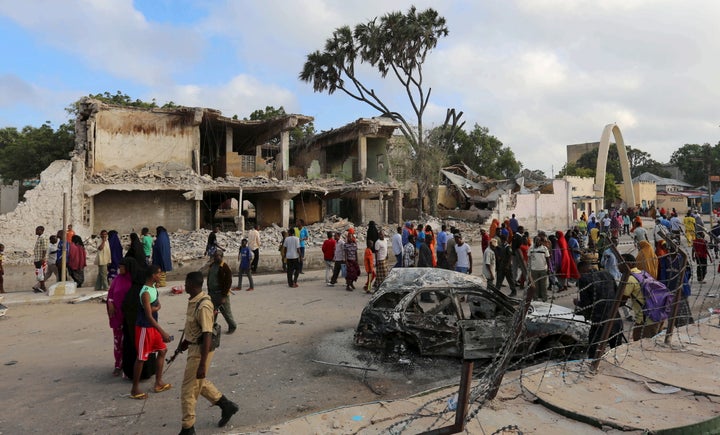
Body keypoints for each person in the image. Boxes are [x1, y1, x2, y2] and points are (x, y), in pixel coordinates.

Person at [178, 271, 239, 434]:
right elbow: (194, 328)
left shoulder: (203, 305)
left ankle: (188, 427)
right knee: (199, 383)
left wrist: (202, 365)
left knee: (188, 390)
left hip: (200, 350)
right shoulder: (194, 301)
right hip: (194, 346)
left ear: (193, 285)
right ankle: (227, 406)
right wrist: (185, 343)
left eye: (186, 283)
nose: (184, 286)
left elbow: (207, 334)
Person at [130, 265, 171, 400]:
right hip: (144, 328)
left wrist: (156, 308)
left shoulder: (153, 288)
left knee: (162, 351)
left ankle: (158, 382)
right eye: (158, 274)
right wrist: (162, 331)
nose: (160, 276)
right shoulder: (146, 292)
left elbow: (155, 307)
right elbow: (148, 315)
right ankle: (135, 389)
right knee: (141, 358)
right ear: (153, 275)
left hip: (152, 327)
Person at [575, 260, 624, 358]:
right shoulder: (607, 274)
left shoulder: (584, 279)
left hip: (599, 319)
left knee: (594, 350)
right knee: (617, 349)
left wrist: (578, 304)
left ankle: (594, 367)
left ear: (581, 270)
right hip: (614, 316)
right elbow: (617, 293)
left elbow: (586, 303)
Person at [620, 253, 664, 341]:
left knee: (642, 346)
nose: (618, 265)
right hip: (658, 314)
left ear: (630, 264)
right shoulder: (643, 273)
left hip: (646, 320)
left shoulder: (630, 279)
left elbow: (620, 301)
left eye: (621, 263)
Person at [107, 258, 133, 376]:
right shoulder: (117, 279)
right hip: (117, 315)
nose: (119, 269)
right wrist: (110, 303)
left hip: (128, 316)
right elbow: (110, 294)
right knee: (118, 342)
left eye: (122, 267)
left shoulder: (132, 279)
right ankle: (118, 364)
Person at [207, 251, 236, 334]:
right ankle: (211, 327)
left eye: (217, 256)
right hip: (212, 293)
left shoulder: (224, 267)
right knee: (212, 312)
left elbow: (228, 282)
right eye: (214, 256)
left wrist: (224, 296)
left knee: (226, 312)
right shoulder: (212, 265)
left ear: (222, 256)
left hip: (221, 294)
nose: (215, 258)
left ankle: (232, 326)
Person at [528, 236, 551, 302]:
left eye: (538, 240)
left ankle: (544, 298)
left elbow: (547, 259)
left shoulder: (544, 248)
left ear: (540, 241)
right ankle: (535, 298)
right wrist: (528, 268)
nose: (537, 242)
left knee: (543, 285)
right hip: (534, 269)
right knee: (535, 285)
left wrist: (549, 268)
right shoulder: (531, 248)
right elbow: (529, 259)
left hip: (543, 269)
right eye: (535, 241)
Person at [32, 225, 48, 293]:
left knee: (41, 273)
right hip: (37, 258)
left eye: (37, 230)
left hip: (40, 259)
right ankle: (41, 286)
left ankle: (43, 287)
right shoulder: (39, 238)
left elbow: (44, 249)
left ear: (41, 231)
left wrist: (43, 258)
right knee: (39, 273)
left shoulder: (43, 238)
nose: (36, 231)